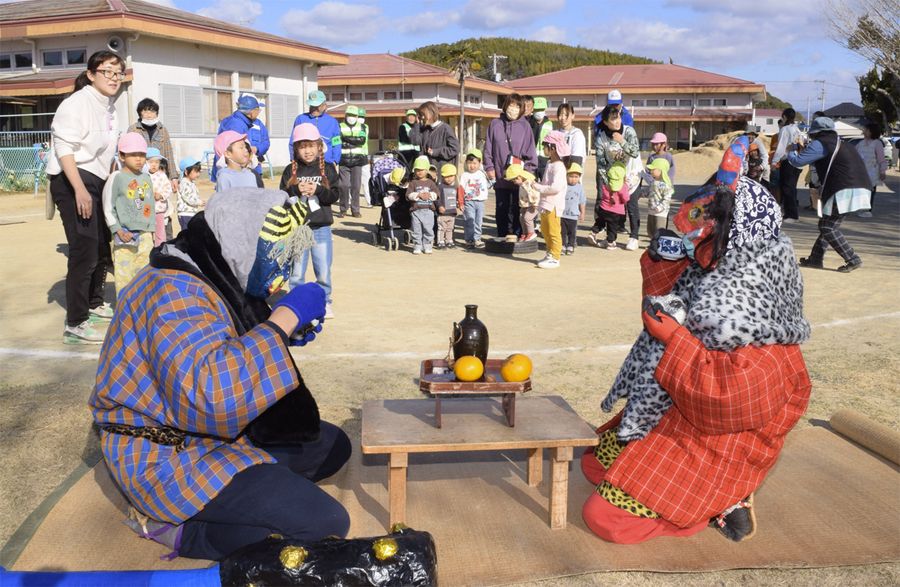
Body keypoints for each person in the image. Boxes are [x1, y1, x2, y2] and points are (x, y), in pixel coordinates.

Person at [90, 186, 351, 561]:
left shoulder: (206, 270)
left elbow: (219, 350)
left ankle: (254, 493)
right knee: (323, 523)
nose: (278, 272)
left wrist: (282, 334)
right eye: (274, 256)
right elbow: (212, 398)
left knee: (331, 447)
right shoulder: (172, 292)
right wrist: (282, 321)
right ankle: (182, 532)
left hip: (214, 434)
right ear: (242, 244)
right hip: (168, 453)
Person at [582, 138, 811, 544]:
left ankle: (727, 498)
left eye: (708, 220)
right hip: (677, 410)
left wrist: (674, 340)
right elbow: (663, 293)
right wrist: (663, 258)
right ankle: (694, 495)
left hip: (720, 437)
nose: (696, 227)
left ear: (734, 231)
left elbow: (727, 403)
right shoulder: (717, 263)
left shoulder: (759, 314)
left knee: (607, 518)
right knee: (593, 466)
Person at [46, 50, 124, 344]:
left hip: (98, 179)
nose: (114, 78)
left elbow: (107, 151)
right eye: (108, 72)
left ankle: (93, 303)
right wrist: (79, 188)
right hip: (73, 178)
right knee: (85, 248)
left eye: (118, 73)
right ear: (92, 74)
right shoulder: (77, 102)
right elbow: (64, 147)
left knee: (102, 245)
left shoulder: (110, 107)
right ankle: (75, 323)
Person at [789, 117, 870, 273]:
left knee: (827, 227)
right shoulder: (842, 143)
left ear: (817, 132)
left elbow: (798, 161)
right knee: (828, 224)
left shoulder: (821, 143)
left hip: (844, 188)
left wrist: (791, 150)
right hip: (857, 186)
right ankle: (815, 259)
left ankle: (853, 258)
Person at [282, 123, 341, 318]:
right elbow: (282, 197)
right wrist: (297, 190)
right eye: (302, 146)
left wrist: (318, 190)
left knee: (323, 269)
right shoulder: (290, 170)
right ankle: (296, 305)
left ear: (319, 146)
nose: (307, 151)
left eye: (311, 146)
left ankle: (325, 301)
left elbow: (334, 196)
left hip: (321, 227)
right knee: (296, 271)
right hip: (297, 228)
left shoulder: (329, 169)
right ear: (296, 149)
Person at [483, 93, 538, 238]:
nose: (513, 109)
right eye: (511, 105)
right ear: (505, 105)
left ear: (521, 108)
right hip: (500, 176)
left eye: (517, 106)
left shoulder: (525, 126)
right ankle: (502, 235)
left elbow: (531, 153)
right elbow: (488, 148)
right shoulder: (495, 124)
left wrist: (525, 175)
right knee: (501, 208)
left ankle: (517, 235)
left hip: (518, 178)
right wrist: (489, 168)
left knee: (517, 208)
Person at [107, 133, 155, 294]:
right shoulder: (117, 177)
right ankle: (124, 311)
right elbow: (108, 206)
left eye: (142, 155)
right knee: (124, 278)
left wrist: (151, 230)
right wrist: (117, 229)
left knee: (145, 276)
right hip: (124, 235)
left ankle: (141, 311)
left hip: (146, 235)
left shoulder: (147, 178)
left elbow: (149, 205)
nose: (139, 159)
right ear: (121, 155)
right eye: (133, 154)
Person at [590, 105, 640, 249]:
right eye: (613, 119)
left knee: (631, 205)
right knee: (610, 207)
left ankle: (634, 237)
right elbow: (601, 163)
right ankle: (610, 238)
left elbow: (636, 152)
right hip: (613, 177)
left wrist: (622, 141)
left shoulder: (629, 131)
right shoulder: (601, 138)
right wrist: (610, 184)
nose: (617, 121)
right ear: (605, 122)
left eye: (618, 117)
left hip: (630, 172)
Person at [213, 94, 269, 187]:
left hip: (246, 169)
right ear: (251, 111)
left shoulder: (247, 122)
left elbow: (266, 141)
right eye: (258, 110)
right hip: (237, 172)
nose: (259, 112)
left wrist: (257, 150)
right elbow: (233, 153)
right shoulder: (236, 125)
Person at [533, 130, 570, 269]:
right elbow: (546, 183)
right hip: (545, 203)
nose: (544, 149)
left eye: (545, 146)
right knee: (545, 229)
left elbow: (555, 187)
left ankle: (555, 256)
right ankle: (549, 253)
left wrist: (539, 187)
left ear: (553, 148)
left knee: (554, 230)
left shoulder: (559, 167)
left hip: (554, 205)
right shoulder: (550, 163)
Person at [127, 98, 178, 191]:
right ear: (140, 113)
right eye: (145, 111)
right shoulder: (133, 129)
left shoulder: (162, 130)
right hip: (139, 176)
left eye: (152, 111)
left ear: (156, 113)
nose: (149, 115)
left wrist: (173, 177)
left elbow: (169, 154)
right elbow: (129, 155)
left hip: (160, 177)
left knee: (160, 203)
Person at [290, 90, 342, 167]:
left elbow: (336, 143)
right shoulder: (300, 119)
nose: (314, 109)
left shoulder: (333, 122)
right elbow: (293, 141)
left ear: (324, 106)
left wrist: (335, 160)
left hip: (327, 163)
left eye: (317, 106)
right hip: (304, 164)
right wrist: (293, 159)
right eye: (312, 106)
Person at [409, 101, 460, 175]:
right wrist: (416, 124)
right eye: (420, 115)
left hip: (441, 173)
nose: (422, 117)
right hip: (426, 173)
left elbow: (455, 149)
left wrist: (435, 152)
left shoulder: (445, 129)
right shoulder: (425, 129)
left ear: (431, 113)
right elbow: (415, 141)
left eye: (423, 114)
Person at [771, 108, 802, 222]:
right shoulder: (797, 129)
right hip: (797, 161)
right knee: (792, 188)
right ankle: (792, 213)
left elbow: (781, 147)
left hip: (788, 161)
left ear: (784, 117)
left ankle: (791, 215)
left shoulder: (785, 129)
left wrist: (774, 162)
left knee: (787, 188)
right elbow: (800, 144)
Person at [338, 105, 367, 218]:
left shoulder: (362, 127)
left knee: (356, 186)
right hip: (343, 160)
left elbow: (361, 140)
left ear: (357, 116)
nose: (351, 117)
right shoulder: (339, 126)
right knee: (343, 186)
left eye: (353, 115)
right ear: (345, 115)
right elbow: (337, 141)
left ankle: (355, 210)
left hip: (357, 160)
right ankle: (343, 209)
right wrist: (352, 141)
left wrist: (345, 138)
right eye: (349, 115)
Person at [407, 155, 439, 255]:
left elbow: (437, 194)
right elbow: (408, 195)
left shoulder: (431, 183)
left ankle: (427, 245)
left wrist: (430, 195)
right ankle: (417, 245)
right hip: (416, 210)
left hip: (428, 210)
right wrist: (418, 195)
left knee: (428, 229)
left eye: (422, 170)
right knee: (416, 229)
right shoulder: (413, 183)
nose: (419, 172)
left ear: (426, 170)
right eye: (417, 170)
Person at [854, 121, 887, 218]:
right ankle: (861, 209)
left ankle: (868, 210)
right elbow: (855, 155)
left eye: (866, 130)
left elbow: (881, 159)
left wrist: (882, 171)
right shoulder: (861, 143)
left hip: (872, 171)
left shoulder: (877, 143)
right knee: (860, 190)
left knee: (870, 190)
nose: (864, 131)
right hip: (861, 171)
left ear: (872, 132)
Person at [460, 148, 490, 249]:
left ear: (479, 163)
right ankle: (469, 240)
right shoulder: (465, 175)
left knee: (478, 221)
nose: (472, 166)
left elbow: (488, 185)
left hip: (480, 202)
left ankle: (477, 239)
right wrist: (460, 202)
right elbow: (461, 189)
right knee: (469, 220)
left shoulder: (482, 174)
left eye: (474, 163)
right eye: (469, 163)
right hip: (469, 202)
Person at [597, 163, 630, 250]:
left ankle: (607, 239)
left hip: (604, 209)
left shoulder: (606, 185)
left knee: (608, 225)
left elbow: (603, 195)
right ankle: (611, 242)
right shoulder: (623, 186)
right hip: (616, 211)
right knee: (613, 228)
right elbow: (626, 198)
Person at [504, 164, 539, 242]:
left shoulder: (529, 183)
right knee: (522, 217)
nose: (513, 182)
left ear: (519, 177)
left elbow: (534, 194)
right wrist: (522, 206)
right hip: (525, 205)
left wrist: (534, 204)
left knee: (527, 218)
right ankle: (525, 233)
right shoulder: (522, 184)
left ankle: (531, 232)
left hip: (533, 204)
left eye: (514, 180)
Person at [146, 148, 173, 246]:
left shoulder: (162, 176)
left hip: (159, 209)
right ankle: (148, 249)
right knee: (147, 232)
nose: (154, 165)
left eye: (157, 162)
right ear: (145, 162)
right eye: (151, 162)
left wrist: (161, 195)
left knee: (160, 232)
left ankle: (160, 250)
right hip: (146, 210)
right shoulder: (143, 175)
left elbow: (168, 189)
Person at [644, 158, 674, 238]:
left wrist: (660, 207)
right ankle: (652, 244)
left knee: (659, 230)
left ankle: (658, 246)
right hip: (651, 210)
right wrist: (643, 194)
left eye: (653, 169)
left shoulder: (665, 185)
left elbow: (667, 198)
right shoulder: (653, 182)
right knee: (650, 230)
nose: (651, 171)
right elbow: (650, 192)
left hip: (660, 212)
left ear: (661, 170)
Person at [560, 162, 586, 255]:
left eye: (576, 177)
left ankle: (571, 245)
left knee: (572, 232)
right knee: (562, 232)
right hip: (562, 214)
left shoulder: (580, 188)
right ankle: (562, 245)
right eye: (571, 176)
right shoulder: (563, 186)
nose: (573, 179)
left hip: (573, 215)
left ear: (579, 177)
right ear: (566, 176)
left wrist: (582, 213)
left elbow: (582, 201)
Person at [435, 163, 460, 249]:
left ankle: (449, 240)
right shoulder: (440, 187)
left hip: (452, 212)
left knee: (450, 228)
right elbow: (436, 198)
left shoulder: (456, 187)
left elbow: (457, 198)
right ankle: (440, 241)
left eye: (451, 176)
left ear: (455, 176)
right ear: (442, 176)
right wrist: (439, 206)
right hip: (443, 213)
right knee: (442, 228)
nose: (449, 178)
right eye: (446, 176)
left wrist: (458, 206)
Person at [176, 156, 204, 232]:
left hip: (190, 213)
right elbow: (188, 198)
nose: (198, 174)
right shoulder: (184, 183)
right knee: (187, 234)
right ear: (186, 171)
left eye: (199, 171)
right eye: (196, 171)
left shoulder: (191, 183)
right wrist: (199, 202)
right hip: (185, 214)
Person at [557, 103, 586, 167]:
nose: (563, 118)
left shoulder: (577, 134)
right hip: (557, 174)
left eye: (566, 115)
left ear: (573, 116)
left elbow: (576, 160)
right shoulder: (556, 134)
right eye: (560, 115)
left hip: (572, 174)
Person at [531, 97, 554, 178]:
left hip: (545, 160)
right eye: (537, 109)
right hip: (532, 159)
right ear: (533, 110)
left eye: (541, 109)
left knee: (545, 186)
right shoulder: (528, 123)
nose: (539, 112)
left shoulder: (549, 124)